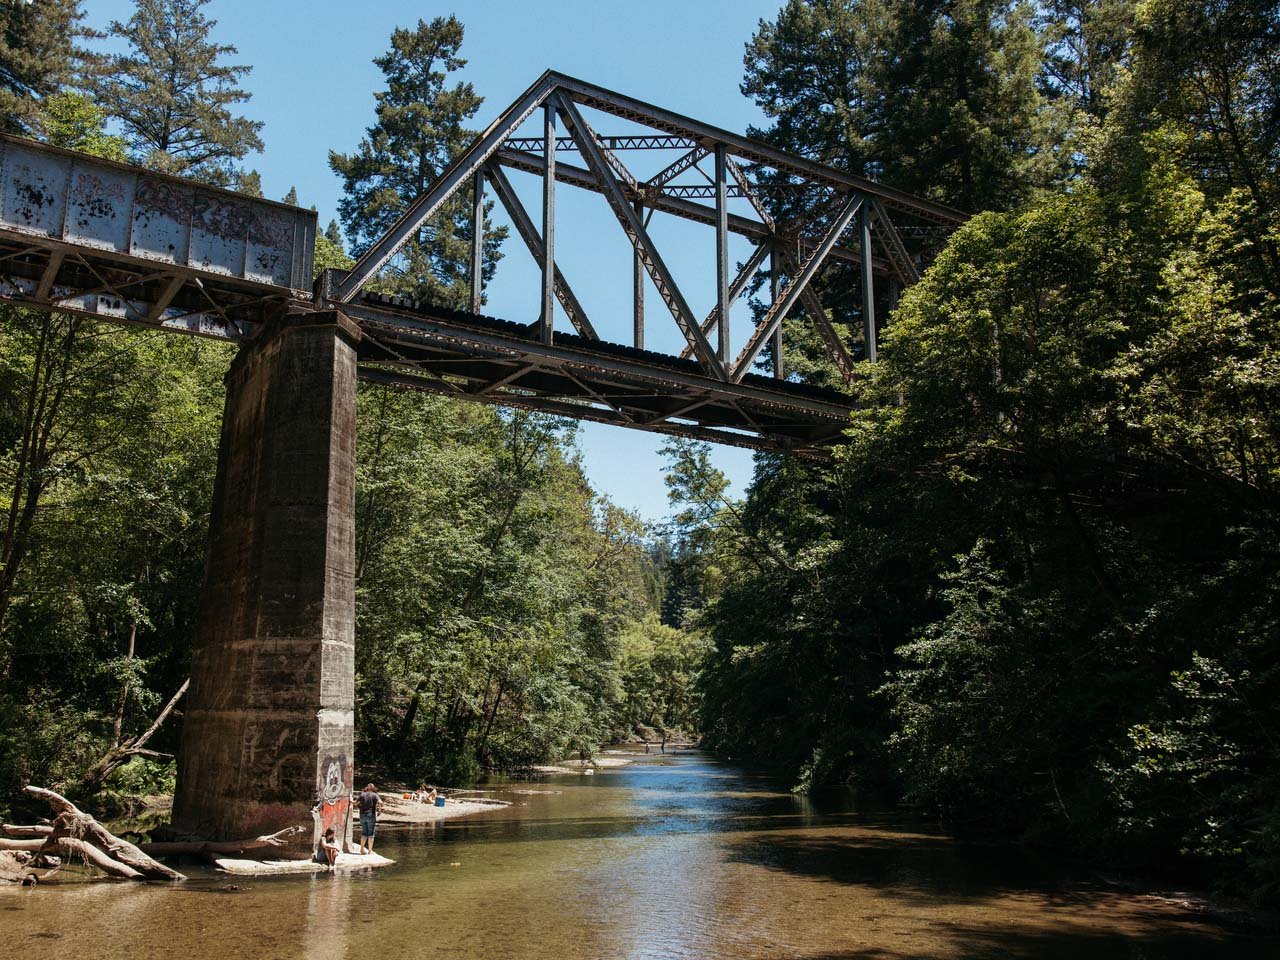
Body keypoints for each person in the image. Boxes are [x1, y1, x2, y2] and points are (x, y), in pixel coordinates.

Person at [357, 782, 380, 855]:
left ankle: (361, 849)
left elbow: (355, 803)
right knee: (371, 833)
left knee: (364, 832)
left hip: (362, 815)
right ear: (373, 788)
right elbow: (381, 802)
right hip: (371, 815)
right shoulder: (375, 795)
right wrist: (380, 810)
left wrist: (351, 801)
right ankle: (370, 851)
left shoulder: (362, 794)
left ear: (366, 787)